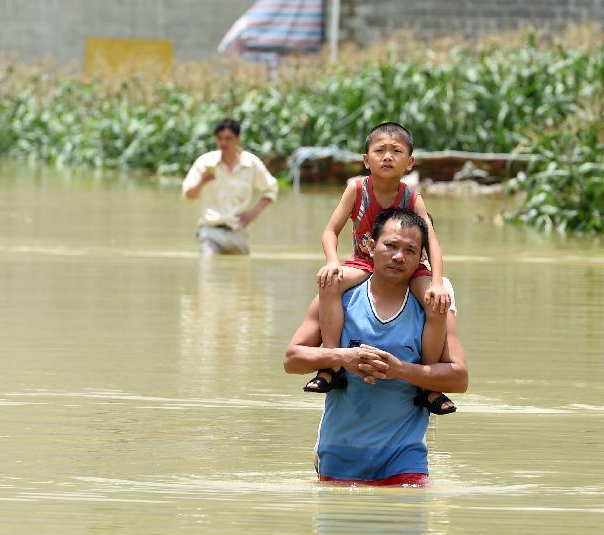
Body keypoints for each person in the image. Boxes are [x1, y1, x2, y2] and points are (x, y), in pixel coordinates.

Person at [284, 209, 469, 486]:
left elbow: (459, 378)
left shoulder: (432, 310)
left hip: (405, 457)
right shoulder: (339, 298)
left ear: (421, 258)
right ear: (370, 246)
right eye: (390, 246)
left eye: (410, 250)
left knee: (408, 520)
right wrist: (342, 357)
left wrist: (402, 370)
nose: (398, 257)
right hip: (339, 451)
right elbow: (292, 359)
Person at [303, 121, 454, 416]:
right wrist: (333, 262)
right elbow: (329, 231)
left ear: (409, 162)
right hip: (363, 260)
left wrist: (436, 282)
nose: (387, 156)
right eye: (380, 150)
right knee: (329, 283)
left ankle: (428, 381)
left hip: (408, 264)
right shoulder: (356, 188)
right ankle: (332, 365)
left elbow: (432, 242)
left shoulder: (412, 197)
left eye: (396, 151)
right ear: (365, 159)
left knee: (437, 303)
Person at [182, 118, 278, 255]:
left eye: (228, 138)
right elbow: (188, 195)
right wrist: (202, 181)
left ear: (238, 139)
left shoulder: (251, 164)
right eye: (220, 138)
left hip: (238, 231)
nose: (223, 143)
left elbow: (271, 189)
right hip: (210, 232)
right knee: (208, 267)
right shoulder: (205, 163)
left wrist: (252, 215)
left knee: (240, 272)